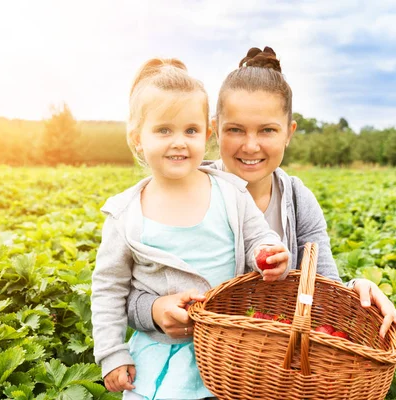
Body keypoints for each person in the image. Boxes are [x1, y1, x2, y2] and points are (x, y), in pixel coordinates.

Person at [127, 47, 396, 348]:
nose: (251, 146)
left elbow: (325, 293)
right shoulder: (178, 191)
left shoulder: (298, 201)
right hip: (196, 363)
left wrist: (358, 290)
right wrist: (155, 311)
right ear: (214, 130)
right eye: (235, 129)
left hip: (270, 368)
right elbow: (123, 293)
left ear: (289, 132)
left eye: (268, 131)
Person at [91, 58, 291, 399]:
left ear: (207, 134)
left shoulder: (230, 193)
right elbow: (109, 288)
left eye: (191, 130)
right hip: (159, 358)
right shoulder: (125, 214)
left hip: (229, 353)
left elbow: (260, 236)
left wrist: (270, 254)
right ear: (138, 137)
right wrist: (112, 352)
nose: (179, 142)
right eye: (164, 130)